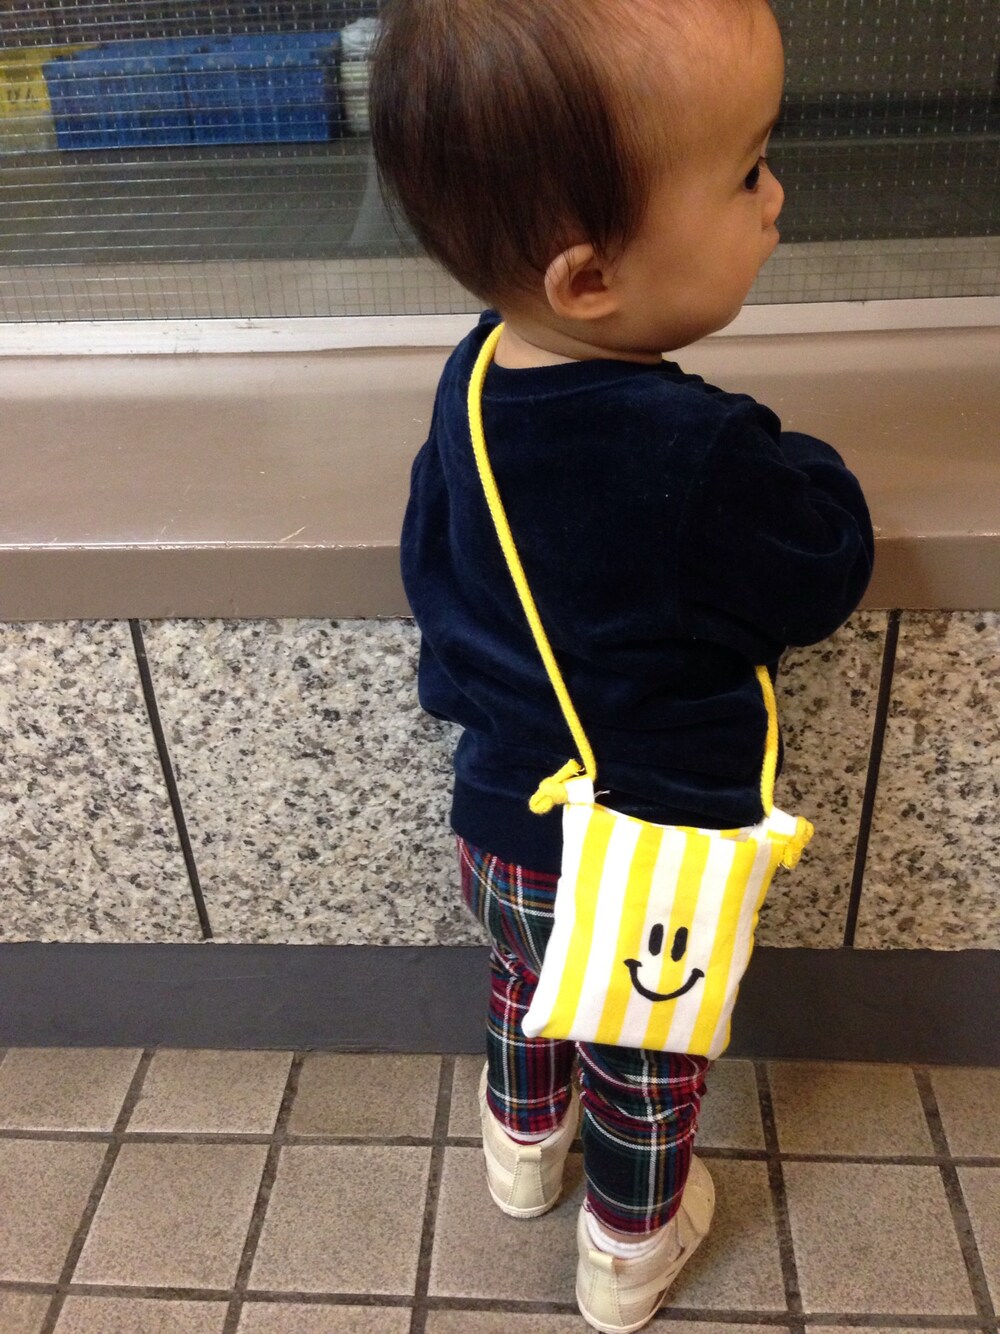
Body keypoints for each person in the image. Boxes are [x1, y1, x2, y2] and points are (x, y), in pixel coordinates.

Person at [370, 1, 874, 1329]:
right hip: (645, 856)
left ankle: (521, 1148)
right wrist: (803, 462)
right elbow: (821, 565)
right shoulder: (695, 456)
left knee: (527, 992)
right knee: (645, 1059)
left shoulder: (476, 373)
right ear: (590, 279)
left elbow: (432, 553)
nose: (776, 195)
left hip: (502, 821)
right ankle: (629, 1247)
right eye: (747, 169)